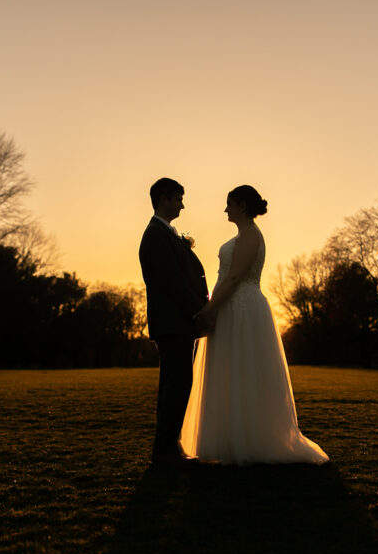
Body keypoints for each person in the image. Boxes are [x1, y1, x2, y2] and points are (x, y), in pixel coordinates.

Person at [180, 185, 328, 465]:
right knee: (228, 373)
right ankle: (225, 440)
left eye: (229, 204)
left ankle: (250, 441)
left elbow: (235, 278)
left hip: (243, 309)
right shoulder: (241, 235)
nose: (225, 210)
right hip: (231, 307)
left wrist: (209, 309)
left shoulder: (250, 235)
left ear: (242, 206)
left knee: (244, 372)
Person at [138, 177, 210, 465]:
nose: (183, 204)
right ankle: (165, 450)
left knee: (177, 384)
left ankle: (169, 446)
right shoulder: (156, 235)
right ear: (164, 199)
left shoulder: (165, 232)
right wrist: (200, 310)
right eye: (179, 198)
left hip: (177, 323)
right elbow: (173, 282)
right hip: (172, 323)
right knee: (175, 385)